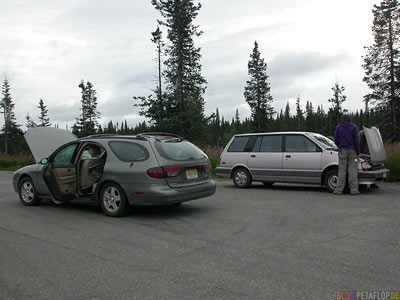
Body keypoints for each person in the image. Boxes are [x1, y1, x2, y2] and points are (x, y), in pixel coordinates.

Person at [333, 114, 361, 195]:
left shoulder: (339, 127)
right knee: (352, 170)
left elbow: (335, 140)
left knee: (342, 171)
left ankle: (339, 189)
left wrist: (340, 146)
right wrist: (358, 153)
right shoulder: (354, 127)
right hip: (352, 150)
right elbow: (357, 141)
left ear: (341, 120)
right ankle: (354, 190)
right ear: (349, 119)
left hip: (342, 150)